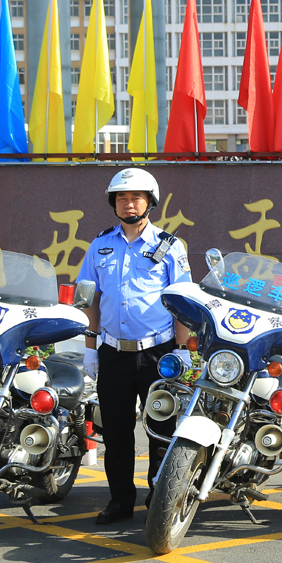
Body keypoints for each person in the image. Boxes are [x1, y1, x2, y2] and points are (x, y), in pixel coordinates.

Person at [78, 168, 192, 524]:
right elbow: (91, 297)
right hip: (113, 352)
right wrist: (90, 347)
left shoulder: (170, 246)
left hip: (157, 353)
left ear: (150, 202)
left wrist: (182, 347)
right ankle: (120, 501)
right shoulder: (100, 245)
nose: (129, 204)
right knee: (116, 430)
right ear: (114, 204)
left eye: (136, 198)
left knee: (161, 429)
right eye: (122, 198)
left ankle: (160, 495)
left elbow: (183, 301)